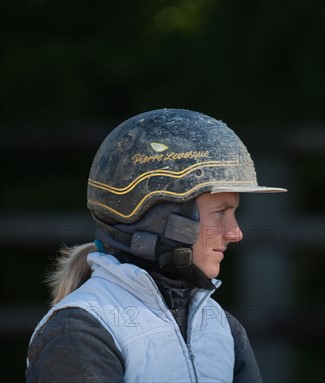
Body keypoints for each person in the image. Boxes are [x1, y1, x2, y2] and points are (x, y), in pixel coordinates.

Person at [25, 108, 286, 382]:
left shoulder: (222, 328)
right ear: (159, 218)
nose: (235, 233)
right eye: (221, 212)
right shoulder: (79, 331)